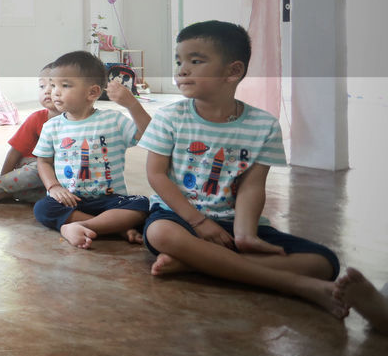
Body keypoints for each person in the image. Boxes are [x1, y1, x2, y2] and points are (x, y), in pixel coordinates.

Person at [140, 20, 349, 317]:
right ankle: (293, 284)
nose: (182, 70)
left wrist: (245, 234)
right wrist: (199, 222)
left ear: (233, 71)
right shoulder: (169, 118)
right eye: (179, 61)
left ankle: (196, 263)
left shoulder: (263, 125)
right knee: (161, 234)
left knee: (324, 262)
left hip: (231, 223)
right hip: (180, 219)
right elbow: (156, 175)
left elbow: (252, 186)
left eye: (195, 61)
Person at [31, 50, 152, 248]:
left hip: (111, 200)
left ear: (93, 92)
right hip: (71, 200)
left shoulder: (113, 120)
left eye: (65, 85)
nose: (55, 92)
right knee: (43, 208)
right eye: (53, 85)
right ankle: (116, 227)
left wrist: (132, 104)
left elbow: (149, 134)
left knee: (142, 203)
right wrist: (54, 187)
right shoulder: (52, 126)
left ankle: (79, 226)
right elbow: (43, 161)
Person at [0, 64, 56, 213]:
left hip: (56, 175)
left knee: (54, 194)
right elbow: (14, 152)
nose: (47, 91)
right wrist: (3, 181)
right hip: (32, 166)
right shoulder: (37, 118)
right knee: (40, 168)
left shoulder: (77, 121)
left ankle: (11, 192)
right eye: (42, 86)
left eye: (54, 85)